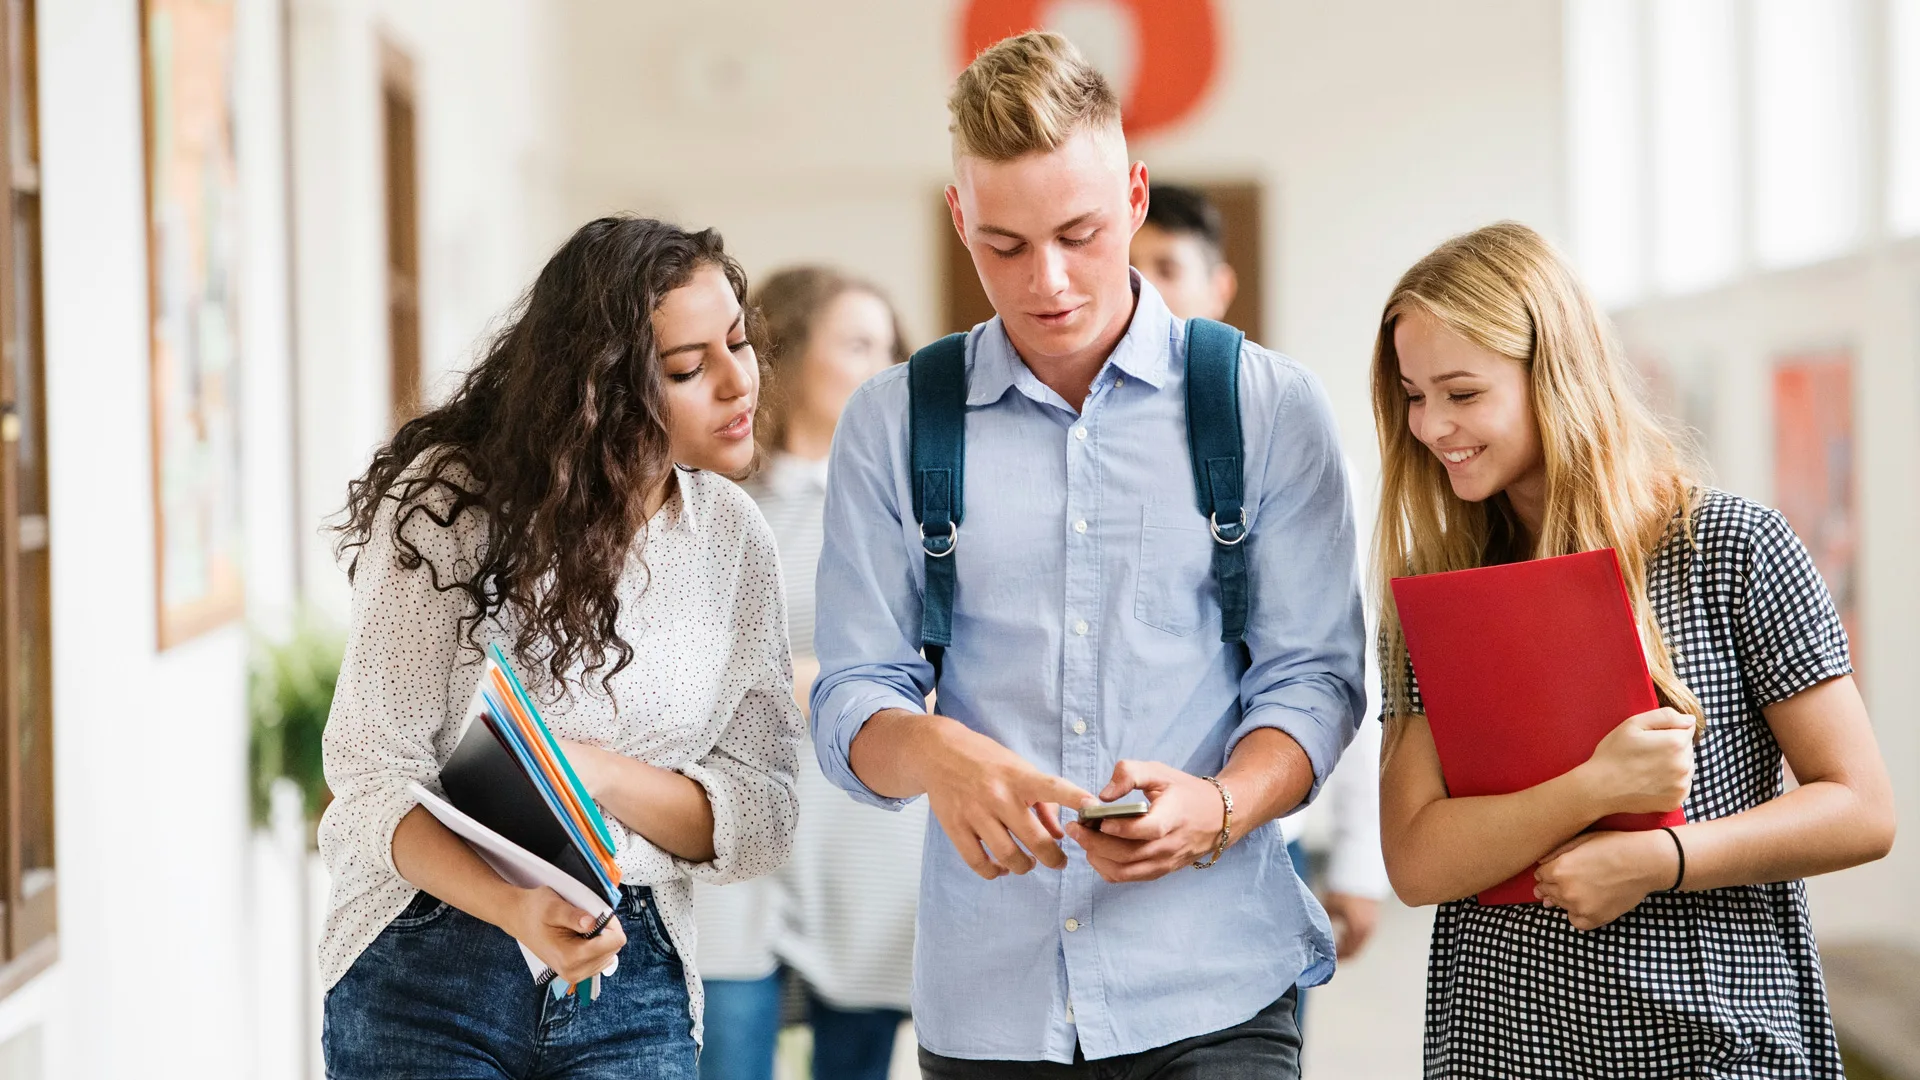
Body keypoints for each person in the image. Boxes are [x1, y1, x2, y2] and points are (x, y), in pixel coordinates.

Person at [811, 31, 1365, 1077]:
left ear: (1139, 196)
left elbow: (1318, 681)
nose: (1049, 282)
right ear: (959, 216)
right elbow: (851, 695)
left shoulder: (1266, 407)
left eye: (1081, 232)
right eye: (1006, 246)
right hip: (990, 1005)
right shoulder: (892, 424)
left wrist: (1217, 808)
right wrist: (935, 753)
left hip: (1216, 983)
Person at [1373, 221, 1896, 1079]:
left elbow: (1861, 807)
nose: (1431, 426)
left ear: (1555, 377)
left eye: (1462, 393)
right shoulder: (1436, 592)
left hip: (1715, 1038)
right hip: (1500, 1045)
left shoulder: (1729, 547)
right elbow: (1420, 860)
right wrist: (1593, 790)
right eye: (1412, 394)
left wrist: (1664, 860)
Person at [317, 216, 804, 1080]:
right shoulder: (450, 510)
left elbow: (761, 817)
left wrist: (590, 770)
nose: (739, 382)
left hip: (630, 965)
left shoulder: (734, 541)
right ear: (602, 387)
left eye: (738, 341)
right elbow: (367, 775)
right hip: (427, 957)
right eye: (689, 367)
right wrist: (513, 908)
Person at [1131, 183, 1389, 980]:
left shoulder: (1286, 433)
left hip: (1263, 841)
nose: (1145, 289)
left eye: (1167, 266)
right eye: (1130, 266)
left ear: (1220, 285)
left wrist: (1358, 860)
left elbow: (1339, 670)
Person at [692, 267, 923, 1080]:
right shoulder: (709, 501)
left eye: (890, 346)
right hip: (729, 836)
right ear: (783, 356)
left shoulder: (912, 511)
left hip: (865, 840)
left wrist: (801, 685)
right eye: (858, 344)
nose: (884, 365)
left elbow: (941, 672)